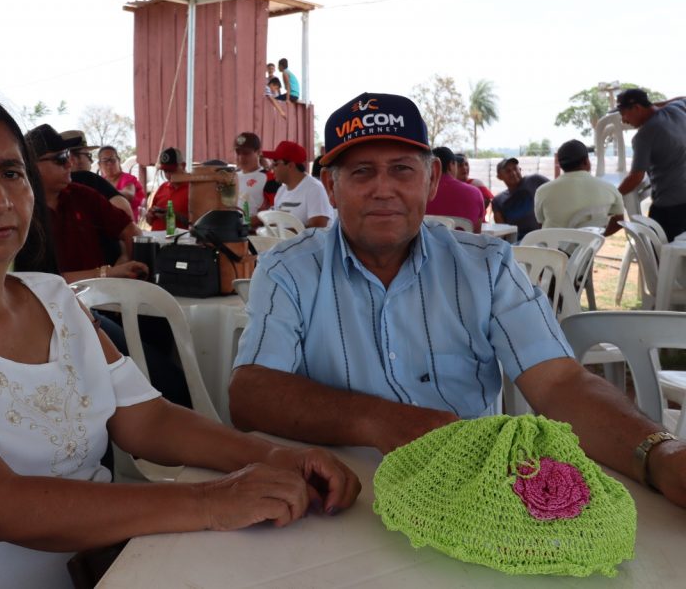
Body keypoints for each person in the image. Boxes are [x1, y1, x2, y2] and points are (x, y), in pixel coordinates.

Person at [0, 93, 360, 588]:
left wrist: (280, 457)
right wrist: (213, 501)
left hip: (104, 568)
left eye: (11, 172)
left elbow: (148, 419)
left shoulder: (52, 298)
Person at [227, 90, 686, 510]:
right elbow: (250, 394)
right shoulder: (288, 267)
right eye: (362, 171)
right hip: (338, 499)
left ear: (430, 180)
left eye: (401, 169)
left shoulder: (487, 266)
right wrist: (376, 420)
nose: (382, 188)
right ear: (331, 186)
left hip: (470, 498)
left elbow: (561, 384)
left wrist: (658, 453)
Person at [29, 125, 146, 281]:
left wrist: (128, 267)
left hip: (102, 299)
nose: (69, 164)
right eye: (60, 158)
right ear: (32, 166)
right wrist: (108, 274)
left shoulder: (81, 194)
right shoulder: (21, 211)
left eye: (67, 156)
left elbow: (132, 231)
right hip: (51, 302)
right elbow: (40, 281)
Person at [616, 88, 686, 241]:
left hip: (671, 208)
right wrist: (652, 105)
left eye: (624, 114)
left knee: (660, 255)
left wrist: (614, 196)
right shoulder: (678, 108)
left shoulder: (644, 136)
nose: (624, 121)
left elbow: (635, 177)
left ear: (637, 108)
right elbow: (682, 97)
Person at [535, 139, 624, 235]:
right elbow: (619, 221)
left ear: (560, 165)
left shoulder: (542, 191)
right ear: (586, 162)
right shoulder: (610, 189)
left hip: (551, 247)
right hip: (587, 248)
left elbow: (541, 224)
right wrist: (599, 237)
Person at [55, 129, 135, 221]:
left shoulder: (51, 188)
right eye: (88, 155)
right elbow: (126, 214)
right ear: (72, 158)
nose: (91, 161)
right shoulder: (89, 179)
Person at [263, 140, 332, 229]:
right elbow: (276, 222)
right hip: (285, 242)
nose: (271, 168)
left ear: (291, 165)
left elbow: (318, 227)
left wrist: (283, 232)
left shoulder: (314, 188)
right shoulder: (281, 191)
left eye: (275, 164)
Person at [425, 146, 484, 231]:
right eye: (458, 165)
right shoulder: (475, 193)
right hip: (463, 244)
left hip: (426, 244)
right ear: (451, 165)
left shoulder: (420, 193)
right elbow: (477, 233)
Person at [492, 157, 548, 239]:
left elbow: (554, 191)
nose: (513, 173)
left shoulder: (535, 180)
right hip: (516, 243)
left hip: (540, 238)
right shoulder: (498, 200)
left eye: (515, 169)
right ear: (499, 177)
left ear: (520, 170)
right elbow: (502, 231)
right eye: (508, 171)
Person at [234, 132, 274, 229]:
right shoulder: (232, 176)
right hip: (232, 231)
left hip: (255, 234)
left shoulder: (269, 178)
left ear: (259, 152)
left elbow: (276, 210)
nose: (241, 157)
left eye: (246, 153)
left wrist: (254, 220)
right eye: (238, 153)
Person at [145, 147, 191, 231]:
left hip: (180, 241)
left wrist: (174, 216)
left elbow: (198, 224)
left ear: (183, 165)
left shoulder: (193, 189)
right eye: (165, 171)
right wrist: (149, 216)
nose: (168, 175)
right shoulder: (162, 187)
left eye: (171, 170)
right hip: (157, 240)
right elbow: (150, 221)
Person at [97, 145, 145, 221]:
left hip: (128, 225)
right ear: (99, 165)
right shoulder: (99, 182)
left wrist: (104, 192)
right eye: (105, 160)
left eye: (112, 160)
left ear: (119, 161)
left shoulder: (128, 178)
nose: (109, 163)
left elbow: (129, 195)